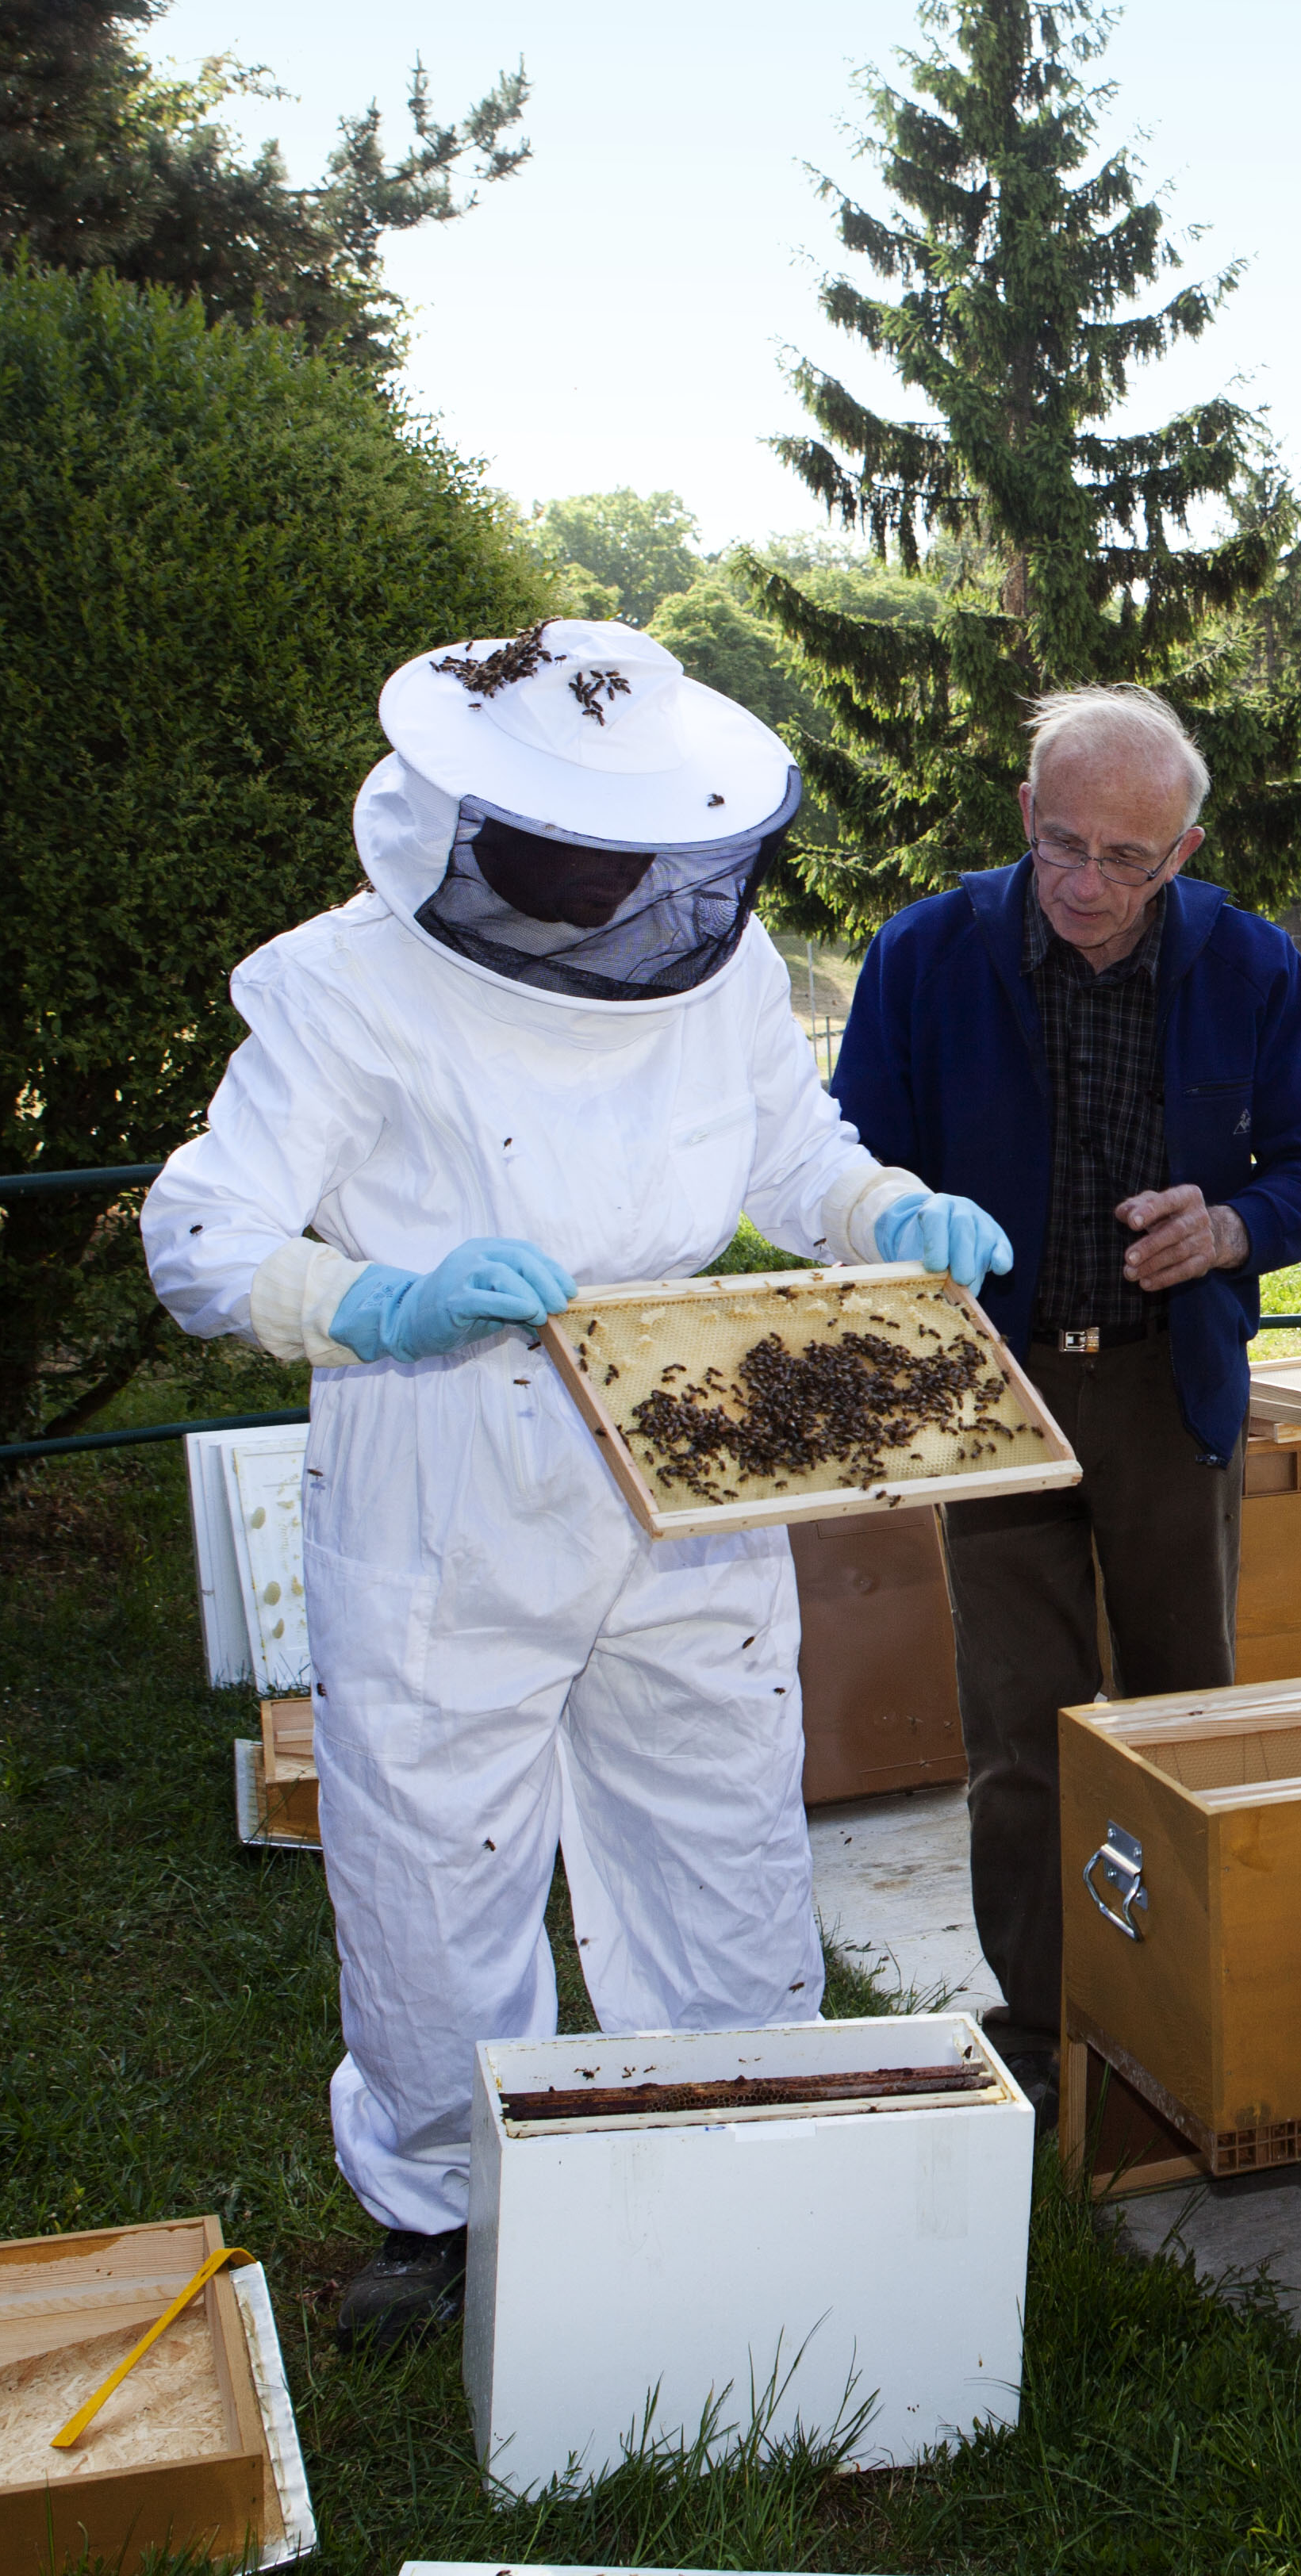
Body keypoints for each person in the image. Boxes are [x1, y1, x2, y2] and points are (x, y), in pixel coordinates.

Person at [143, 617, 1013, 2344]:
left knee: (722, 1818)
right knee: (432, 1849)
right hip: (443, 1458)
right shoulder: (337, 984)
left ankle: (730, 2139)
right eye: (578, 850)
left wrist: (882, 1213)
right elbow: (199, 1231)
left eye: (645, 856)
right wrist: (370, 1301)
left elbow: (798, 1153)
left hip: (688, 1433)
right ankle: (444, 2207)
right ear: (468, 822)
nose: (618, 886)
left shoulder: (726, 972)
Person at [829, 684, 1301, 2111]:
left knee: (1190, 1710)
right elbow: (836, 1169)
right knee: (1021, 1724)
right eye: (1063, 844)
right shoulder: (925, 956)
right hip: (990, 1390)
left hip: (1161, 1388)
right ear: (1025, 816)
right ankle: (1052, 2023)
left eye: (1126, 860)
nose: (1084, 884)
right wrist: (896, 1228)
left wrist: (1233, 1230)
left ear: (1182, 850)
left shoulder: (1248, 966)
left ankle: (1190, 2000)